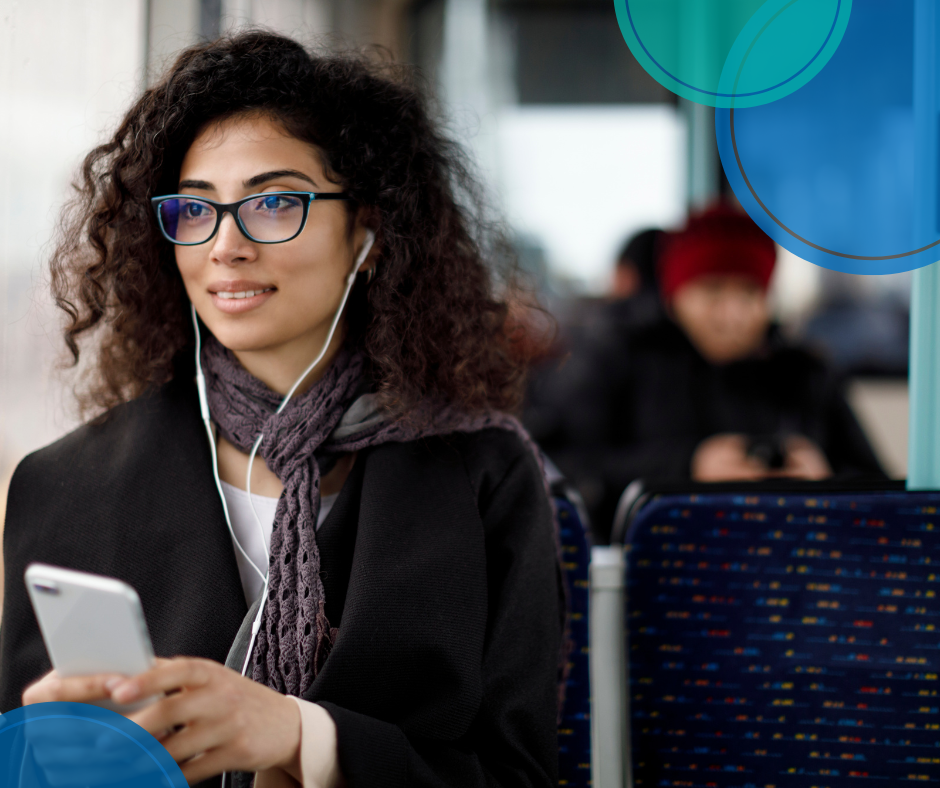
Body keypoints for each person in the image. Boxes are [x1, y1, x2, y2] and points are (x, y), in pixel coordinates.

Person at [0, 32, 563, 788]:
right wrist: (41, 754)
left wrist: (302, 737)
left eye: (272, 203)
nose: (225, 244)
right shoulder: (64, 485)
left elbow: (515, 776)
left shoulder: (482, 473)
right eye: (195, 209)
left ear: (366, 230)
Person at [554, 204, 884, 542]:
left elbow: (882, 492)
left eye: (749, 293)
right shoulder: (620, 358)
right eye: (712, 291)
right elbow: (562, 466)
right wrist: (687, 466)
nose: (731, 315)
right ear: (674, 295)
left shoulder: (805, 373)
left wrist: (827, 482)